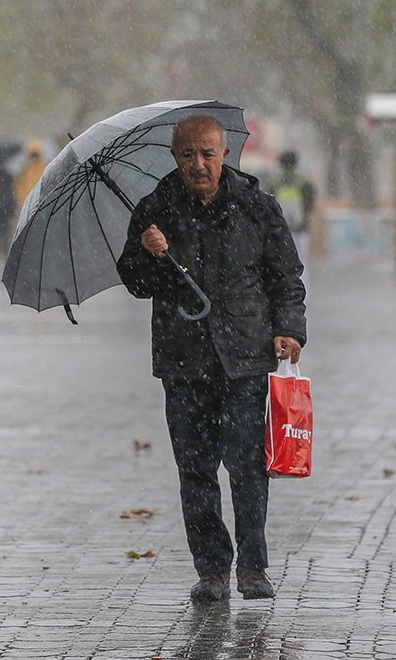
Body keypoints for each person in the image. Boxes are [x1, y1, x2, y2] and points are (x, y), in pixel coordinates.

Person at [117, 115, 307, 603]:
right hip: (184, 363)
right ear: (175, 157)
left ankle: (253, 566)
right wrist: (149, 254)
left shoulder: (257, 208)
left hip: (245, 358)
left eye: (207, 154)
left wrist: (289, 328)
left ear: (225, 154)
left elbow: (286, 275)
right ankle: (212, 570)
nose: (197, 164)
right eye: (187, 155)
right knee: (195, 468)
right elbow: (137, 283)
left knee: (247, 467)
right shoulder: (155, 210)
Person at [268, 149, 316, 290]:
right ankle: (302, 295)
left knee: (280, 263)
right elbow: (310, 203)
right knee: (301, 263)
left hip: (280, 230)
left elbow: (268, 203)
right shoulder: (304, 181)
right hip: (300, 229)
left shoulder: (275, 181)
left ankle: (284, 293)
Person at [14, 139, 47, 209]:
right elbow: (19, 187)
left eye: (35, 154)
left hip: (39, 202)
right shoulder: (25, 169)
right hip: (29, 203)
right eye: (33, 154)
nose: (34, 157)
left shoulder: (44, 167)